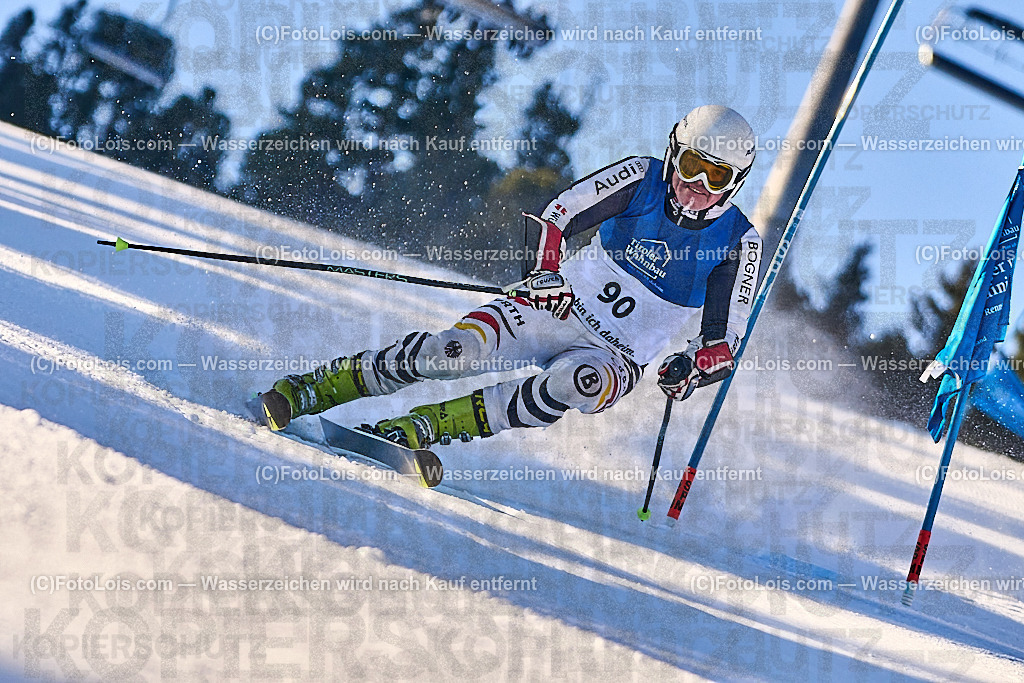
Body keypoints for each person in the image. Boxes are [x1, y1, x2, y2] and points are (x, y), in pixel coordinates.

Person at [254, 105, 763, 449]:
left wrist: (691, 367)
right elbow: (555, 218)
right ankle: (314, 388)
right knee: (451, 353)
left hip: (615, 356)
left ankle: (421, 429)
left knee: (577, 383)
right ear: (675, 153)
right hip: (555, 306)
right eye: (693, 164)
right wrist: (545, 275)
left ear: (734, 182)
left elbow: (724, 344)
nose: (697, 185)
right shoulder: (641, 176)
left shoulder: (740, 243)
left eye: (716, 176)